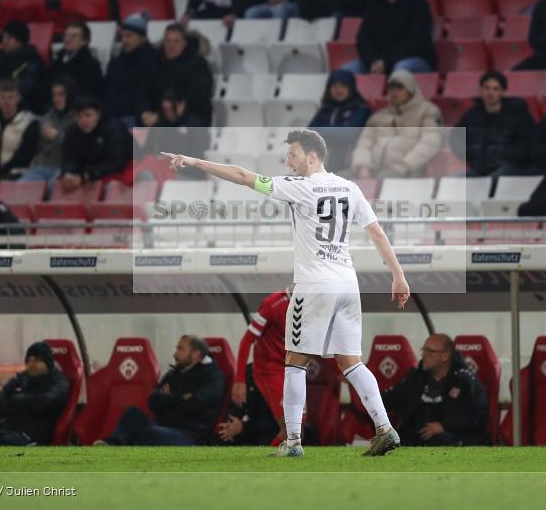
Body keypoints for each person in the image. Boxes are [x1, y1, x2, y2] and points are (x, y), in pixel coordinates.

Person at [163, 129, 412, 457]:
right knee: (351, 362)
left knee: (294, 362)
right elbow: (377, 232)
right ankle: (385, 429)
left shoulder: (300, 187)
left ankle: (293, 441)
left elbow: (241, 175)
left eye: (292, 154)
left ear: (312, 156)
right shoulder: (349, 188)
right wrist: (399, 275)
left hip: (315, 285)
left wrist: (194, 161)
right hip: (347, 285)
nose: (287, 161)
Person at [98, 336, 224, 446]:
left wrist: (168, 399)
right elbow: (152, 402)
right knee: (132, 412)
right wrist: (180, 397)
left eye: (180, 349)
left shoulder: (213, 376)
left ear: (196, 353)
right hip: (164, 428)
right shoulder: (173, 374)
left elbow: (195, 404)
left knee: (147, 433)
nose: (175, 354)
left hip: (191, 435)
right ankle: (111, 445)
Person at [381, 334, 490, 446]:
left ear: (445, 356)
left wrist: (444, 426)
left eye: (430, 351)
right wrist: (368, 397)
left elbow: (478, 418)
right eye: (424, 350)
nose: (424, 355)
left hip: (453, 438)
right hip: (416, 439)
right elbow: (394, 397)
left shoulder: (465, 381)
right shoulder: (416, 377)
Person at [0, 342, 69, 446]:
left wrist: (15, 400)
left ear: (48, 362)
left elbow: (46, 401)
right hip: (7, 431)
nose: (32, 364)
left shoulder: (59, 382)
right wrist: (17, 402)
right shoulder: (21, 378)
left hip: (32, 436)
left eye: (37, 360)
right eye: (29, 360)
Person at [343, 0, 437, 75]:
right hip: (379, 61)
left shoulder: (418, 4)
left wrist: (386, 61)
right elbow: (363, 38)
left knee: (400, 69)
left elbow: (416, 42)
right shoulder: (374, 6)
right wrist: (372, 61)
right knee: (345, 72)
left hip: (415, 59)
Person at [351, 70, 442, 180]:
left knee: (384, 178)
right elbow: (364, 144)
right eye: (391, 88)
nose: (394, 92)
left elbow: (430, 143)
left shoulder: (427, 111)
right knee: (340, 179)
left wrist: (404, 166)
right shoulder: (378, 116)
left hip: (410, 170)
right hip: (373, 169)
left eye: (399, 88)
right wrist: (362, 167)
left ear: (410, 90)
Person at [451, 71, 534, 180]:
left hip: (509, 166)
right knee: (456, 182)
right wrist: (471, 156)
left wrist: (502, 156)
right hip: (480, 167)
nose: (490, 93)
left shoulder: (517, 114)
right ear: (480, 90)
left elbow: (525, 144)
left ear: (503, 92)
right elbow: (456, 138)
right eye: (487, 88)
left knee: (490, 181)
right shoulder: (471, 114)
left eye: (496, 89)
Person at [233, 288, 290, 442]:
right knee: (290, 429)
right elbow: (247, 340)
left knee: (297, 432)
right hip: (269, 370)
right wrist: (240, 381)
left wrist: (340, 369)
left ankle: (278, 464)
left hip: (293, 370)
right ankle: (266, 466)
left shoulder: (314, 304)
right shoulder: (273, 305)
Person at [144, 23, 214, 128]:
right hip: (157, 115)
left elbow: (198, 99)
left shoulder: (198, 65)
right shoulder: (154, 62)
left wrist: (168, 114)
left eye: (176, 41)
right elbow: (142, 93)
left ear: (184, 44)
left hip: (190, 116)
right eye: (168, 41)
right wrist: (143, 112)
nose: (171, 45)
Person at [58, 96, 130, 194]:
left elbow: (117, 162)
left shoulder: (115, 129)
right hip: (87, 173)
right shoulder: (73, 132)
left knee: (109, 189)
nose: (83, 120)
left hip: (117, 172)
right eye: (79, 116)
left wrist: (86, 176)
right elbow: (70, 157)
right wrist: (68, 172)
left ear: (98, 114)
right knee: (54, 184)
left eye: (88, 115)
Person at [19, 76, 79, 188]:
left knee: (54, 187)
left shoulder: (78, 118)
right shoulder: (47, 117)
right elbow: (37, 147)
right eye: (54, 95)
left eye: (61, 94)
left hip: (65, 168)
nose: (57, 98)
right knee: (21, 187)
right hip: (42, 165)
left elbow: (77, 145)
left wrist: (57, 135)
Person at [308, 70, 372, 173]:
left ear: (351, 88)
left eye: (343, 86)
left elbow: (349, 134)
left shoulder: (361, 110)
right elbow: (309, 132)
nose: (338, 90)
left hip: (345, 165)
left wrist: (321, 130)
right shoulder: (325, 109)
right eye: (334, 86)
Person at [0, 20, 45, 113]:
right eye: (3, 38)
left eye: (9, 38)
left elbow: (22, 90)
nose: (4, 42)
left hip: (25, 114)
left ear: (20, 41)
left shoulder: (33, 61)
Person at [105, 12, 156, 127]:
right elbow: (107, 91)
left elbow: (145, 94)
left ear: (142, 38)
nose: (124, 40)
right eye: (123, 36)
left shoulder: (153, 61)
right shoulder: (115, 63)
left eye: (129, 36)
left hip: (137, 117)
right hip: (113, 116)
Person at [218, 365, 281, 445]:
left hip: (266, 434)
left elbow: (270, 419)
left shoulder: (280, 375)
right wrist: (231, 425)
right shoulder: (247, 371)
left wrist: (244, 425)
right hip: (244, 432)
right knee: (224, 437)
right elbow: (235, 404)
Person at [48, 21, 104, 99]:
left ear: (84, 41)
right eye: (66, 35)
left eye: (74, 36)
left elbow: (89, 94)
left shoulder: (91, 66)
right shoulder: (56, 61)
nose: (67, 39)